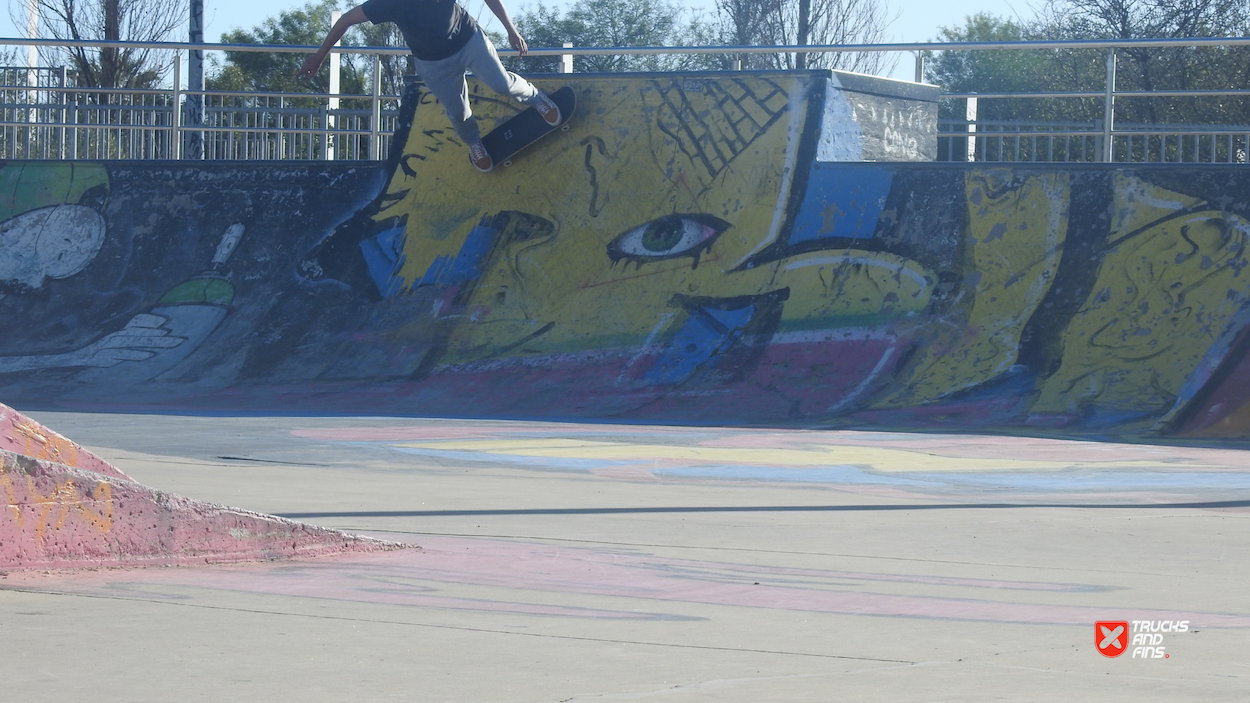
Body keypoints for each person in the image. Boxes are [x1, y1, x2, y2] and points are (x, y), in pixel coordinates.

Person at [297, 0, 559, 172]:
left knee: (501, 84)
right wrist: (318, 57)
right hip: (433, 62)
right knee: (458, 112)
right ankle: (474, 144)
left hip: (469, 40)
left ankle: (537, 98)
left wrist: (511, 29)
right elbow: (345, 20)